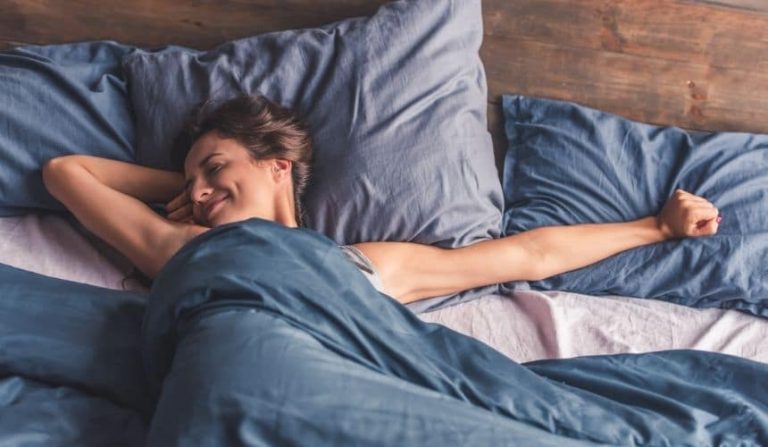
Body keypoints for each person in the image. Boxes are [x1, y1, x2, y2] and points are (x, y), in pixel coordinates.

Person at [42, 95, 722, 304]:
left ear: (279, 165)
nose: (197, 188)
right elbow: (65, 172)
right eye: (189, 179)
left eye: (215, 165)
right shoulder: (181, 248)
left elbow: (528, 254)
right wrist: (193, 192)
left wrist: (655, 228)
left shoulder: (365, 263)